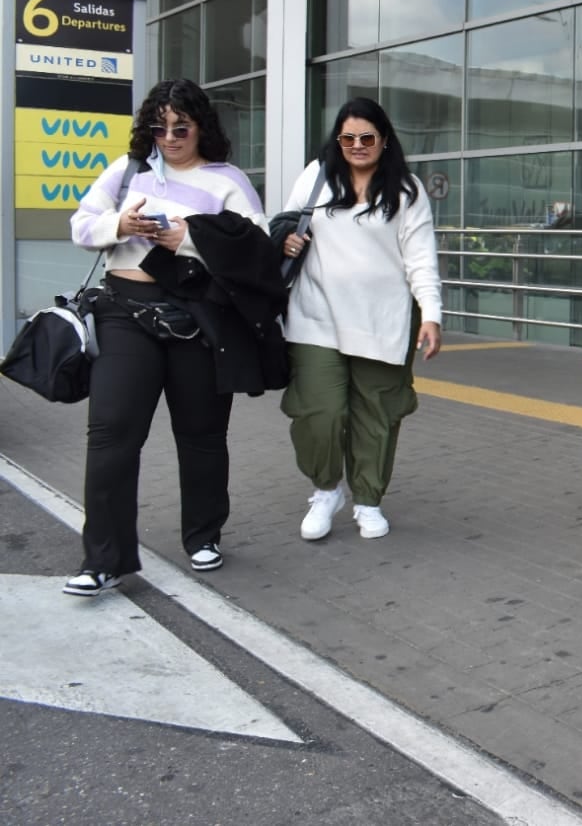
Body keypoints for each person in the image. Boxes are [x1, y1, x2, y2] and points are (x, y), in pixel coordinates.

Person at [64, 79, 282, 596]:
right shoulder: (128, 170)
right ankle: (104, 559)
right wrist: (122, 223)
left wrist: (189, 239)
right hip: (123, 312)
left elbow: (255, 252)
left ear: (200, 125)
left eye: (179, 127)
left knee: (202, 435)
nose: (169, 137)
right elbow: (80, 226)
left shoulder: (228, 180)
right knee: (112, 433)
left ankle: (204, 535)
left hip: (197, 318)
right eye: (158, 128)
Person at [277, 97, 443, 542]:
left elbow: (421, 258)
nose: (357, 145)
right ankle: (326, 489)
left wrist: (431, 314)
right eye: (347, 137)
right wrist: (287, 243)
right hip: (315, 317)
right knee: (319, 412)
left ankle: (368, 498)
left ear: (384, 140)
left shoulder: (406, 189)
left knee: (378, 415)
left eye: (366, 137)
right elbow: (285, 226)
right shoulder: (316, 176)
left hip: (383, 321)